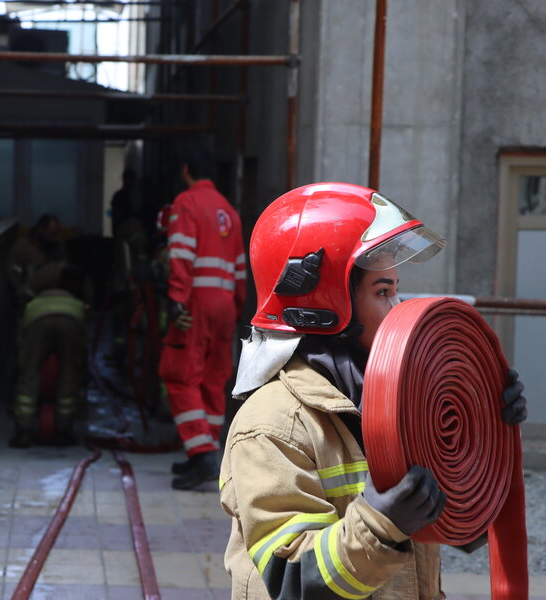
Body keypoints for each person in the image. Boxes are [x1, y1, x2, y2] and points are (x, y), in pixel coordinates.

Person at [219, 182, 528, 599]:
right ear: (325, 303)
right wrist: (382, 523)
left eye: (396, 289)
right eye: (383, 291)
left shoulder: (394, 401)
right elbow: (289, 581)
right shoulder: (273, 424)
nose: (397, 307)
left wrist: (485, 434)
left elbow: (453, 524)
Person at [158, 145, 247, 490]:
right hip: (225, 303)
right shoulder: (230, 211)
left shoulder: (186, 203)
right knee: (214, 376)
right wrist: (236, 306)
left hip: (196, 301)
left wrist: (177, 298)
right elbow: (240, 267)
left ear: (186, 171)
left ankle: (201, 452)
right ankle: (208, 451)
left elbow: (181, 252)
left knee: (180, 374)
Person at [10, 264, 88, 448]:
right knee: (69, 375)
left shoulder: (35, 298)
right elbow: (82, 353)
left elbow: (21, 344)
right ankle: (63, 432)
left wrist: (22, 362)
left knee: (29, 374)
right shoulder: (78, 301)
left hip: (37, 318)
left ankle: (24, 432)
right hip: (72, 319)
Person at [8, 213, 64, 306]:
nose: (54, 238)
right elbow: (14, 279)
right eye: (52, 234)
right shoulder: (22, 248)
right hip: (30, 301)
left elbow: (64, 271)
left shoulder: (57, 247)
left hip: (55, 299)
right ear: (41, 229)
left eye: (56, 234)